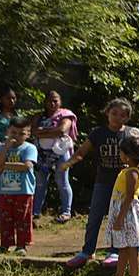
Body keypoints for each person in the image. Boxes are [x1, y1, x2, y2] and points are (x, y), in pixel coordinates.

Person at [62, 98, 139, 269]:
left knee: (117, 217)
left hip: (123, 185)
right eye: (114, 113)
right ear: (107, 113)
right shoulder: (98, 133)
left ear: (127, 118)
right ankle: (87, 251)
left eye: (122, 115)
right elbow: (82, 151)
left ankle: (114, 251)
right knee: (95, 217)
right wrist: (68, 163)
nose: (117, 117)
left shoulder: (130, 133)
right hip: (103, 182)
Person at [102, 137, 139, 276]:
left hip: (127, 213)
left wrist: (120, 218)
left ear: (128, 155)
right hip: (122, 211)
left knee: (131, 248)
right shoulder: (129, 170)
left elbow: (129, 197)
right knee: (123, 246)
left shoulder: (132, 173)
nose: (120, 155)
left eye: (122, 152)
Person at [32, 91, 78, 223]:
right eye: (50, 101)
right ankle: (35, 212)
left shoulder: (66, 115)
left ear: (60, 102)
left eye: (55, 101)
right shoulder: (38, 117)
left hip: (61, 152)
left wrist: (43, 132)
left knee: (62, 181)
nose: (52, 103)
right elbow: (34, 131)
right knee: (40, 183)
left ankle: (66, 212)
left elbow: (62, 130)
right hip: (42, 153)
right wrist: (52, 132)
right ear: (45, 102)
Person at [0, 116, 38, 254]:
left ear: (28, 134)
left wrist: (4, 165)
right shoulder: (1, 148)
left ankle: (21, 245)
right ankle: (5, 244)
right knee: (5, 219)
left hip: (24, 191)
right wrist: (6, 148)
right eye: (14, 133)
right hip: (4, 190)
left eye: (21, 133)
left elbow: (26, 166)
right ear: (8, 131)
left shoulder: (30, 148)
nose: (17, 136)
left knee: (23, 219)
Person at [0, 86, 20, 217]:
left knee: (9, 185)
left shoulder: (18, 117)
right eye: (8, 98)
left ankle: (5, 216)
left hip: (14, 155)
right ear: (0, 99)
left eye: (14, 98)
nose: (12, 101)